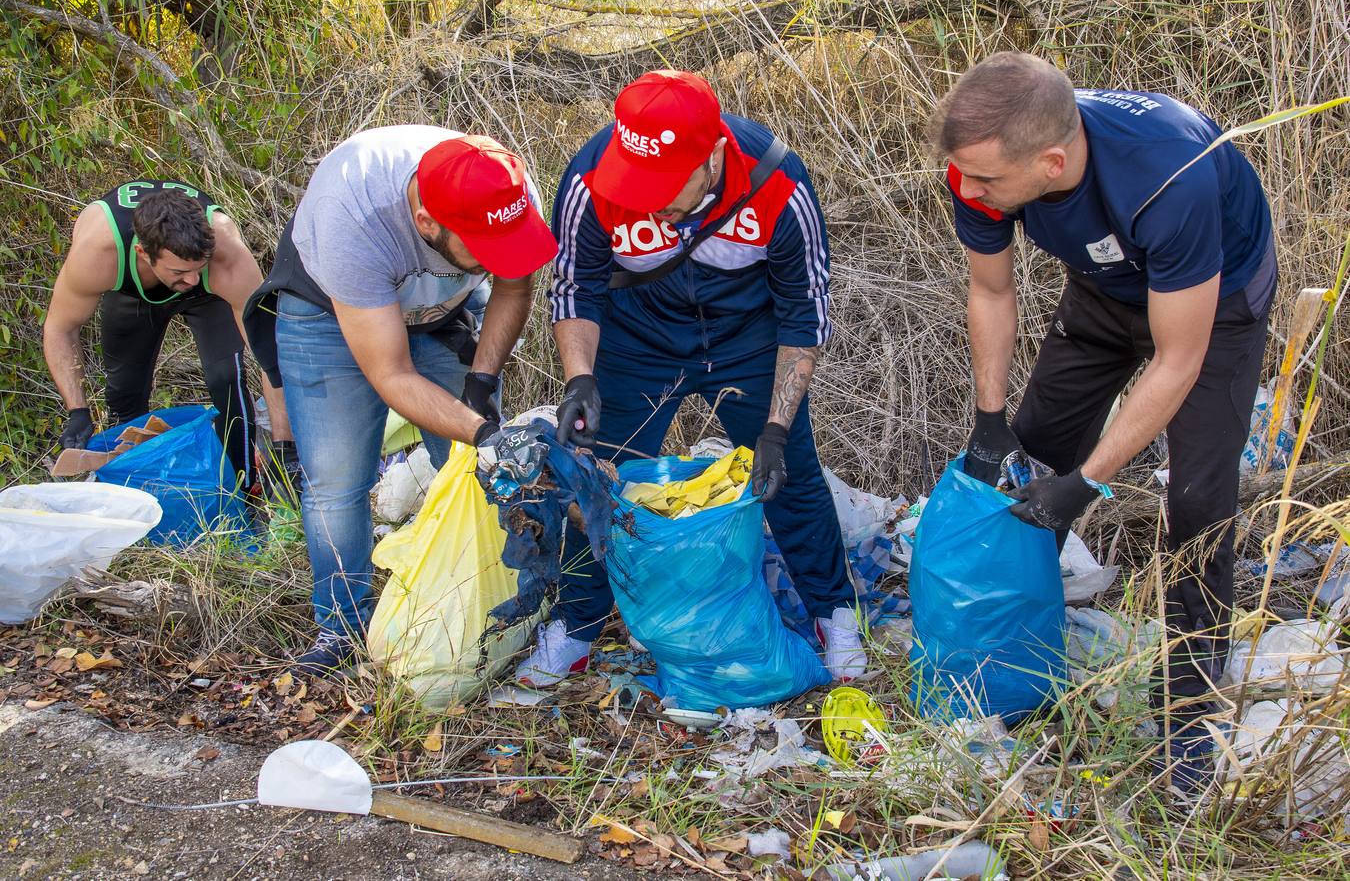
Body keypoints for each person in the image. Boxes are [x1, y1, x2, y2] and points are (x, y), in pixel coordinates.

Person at [930, 53, 1276, 794]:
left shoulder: (1166, 180)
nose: (971, 190)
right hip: (1103, 290)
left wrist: (1089, 484)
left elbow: (1179, 359)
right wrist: (992, 421)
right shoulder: (986, 164)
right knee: (1032, 455)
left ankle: (1190, 720)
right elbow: (990, 292)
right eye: (966, 176)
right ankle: (1013, 658)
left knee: (1198, 505)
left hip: (1216, 306)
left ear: (1051, 163)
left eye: (987, 182)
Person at [519, 69, 865, 687]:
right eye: (637, 181)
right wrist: (580, 379)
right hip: (637, 337)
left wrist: (778, 429)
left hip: (748, 338)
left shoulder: (780, 184)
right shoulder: (590, 178)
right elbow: (576, 287)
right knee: (599, 474)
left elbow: (804, 313)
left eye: (663, 185)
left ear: (713, 156)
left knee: (789, 476)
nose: (648, 199)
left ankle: (831, 611)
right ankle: (576, 623)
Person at [244, 127, 557, 674]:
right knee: (338, 479)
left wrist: (480, 382)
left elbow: (513, 286)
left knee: (479, 471)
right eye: (481, 250)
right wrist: (485, 432)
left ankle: (493, 606)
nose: (493, 259)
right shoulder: (353, 215)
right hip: (327, 315)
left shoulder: (503, 187)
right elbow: (392, 375)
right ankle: (340, 628)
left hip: (444, 313)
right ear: (426, 224)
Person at [43, 180, 293, 493]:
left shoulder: (226, 254)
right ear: (143, 253)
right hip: (132, 294)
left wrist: (285, 446)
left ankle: (244, 487)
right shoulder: (99, 252)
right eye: (179, 272)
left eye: (195, 268)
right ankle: (137, 494)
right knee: (125, 395)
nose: (189, 278)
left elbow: (269, 354)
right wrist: (77, 411)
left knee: (227, 380)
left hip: (210, 295)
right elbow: (60, 329)